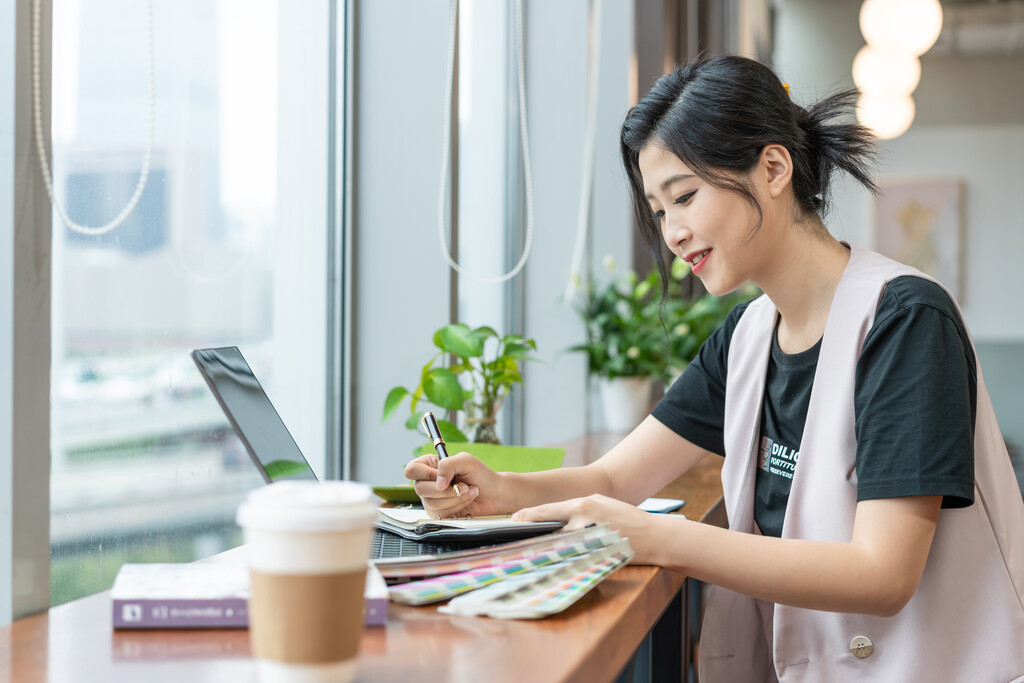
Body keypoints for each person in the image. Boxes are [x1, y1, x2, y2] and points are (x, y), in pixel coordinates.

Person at [403, 55, 1024, 682]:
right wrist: (504, 492)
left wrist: (655, 538)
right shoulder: (748, 336)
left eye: (685, 197)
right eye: (659, 210)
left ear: (774, 168)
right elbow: (618, 479)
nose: (671, 232)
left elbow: (882, 574)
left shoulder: (906, 319)